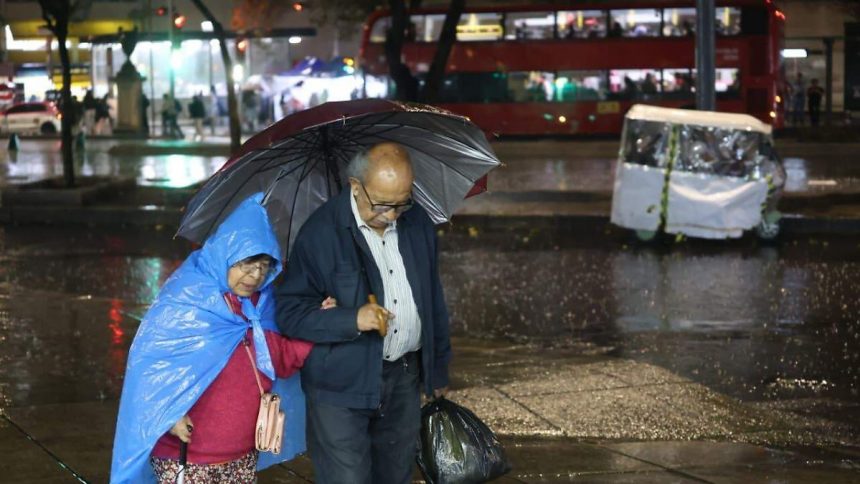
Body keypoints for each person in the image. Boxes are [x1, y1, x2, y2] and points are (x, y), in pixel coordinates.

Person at [111, 193, 334, 483]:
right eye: (247, 264)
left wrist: (319, 322)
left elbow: (282, 359)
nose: (255, 276)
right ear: (224, 255)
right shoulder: (187, 299)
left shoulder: (261, 306)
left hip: (242, 454)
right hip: (186, 455)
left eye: (264, 266)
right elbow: (150, 368)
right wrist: (168, 414)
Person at [276, 142, 452, 484]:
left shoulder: (417, 223)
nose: (392, 215)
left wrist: (437, 367)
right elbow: (289, 311)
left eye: (402, 202)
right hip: (340, 385)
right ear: (355, 187)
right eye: (382, 204)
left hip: (403, 379)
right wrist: (352, 319)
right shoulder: (320, 233)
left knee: (395, 476)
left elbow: (432, 297)